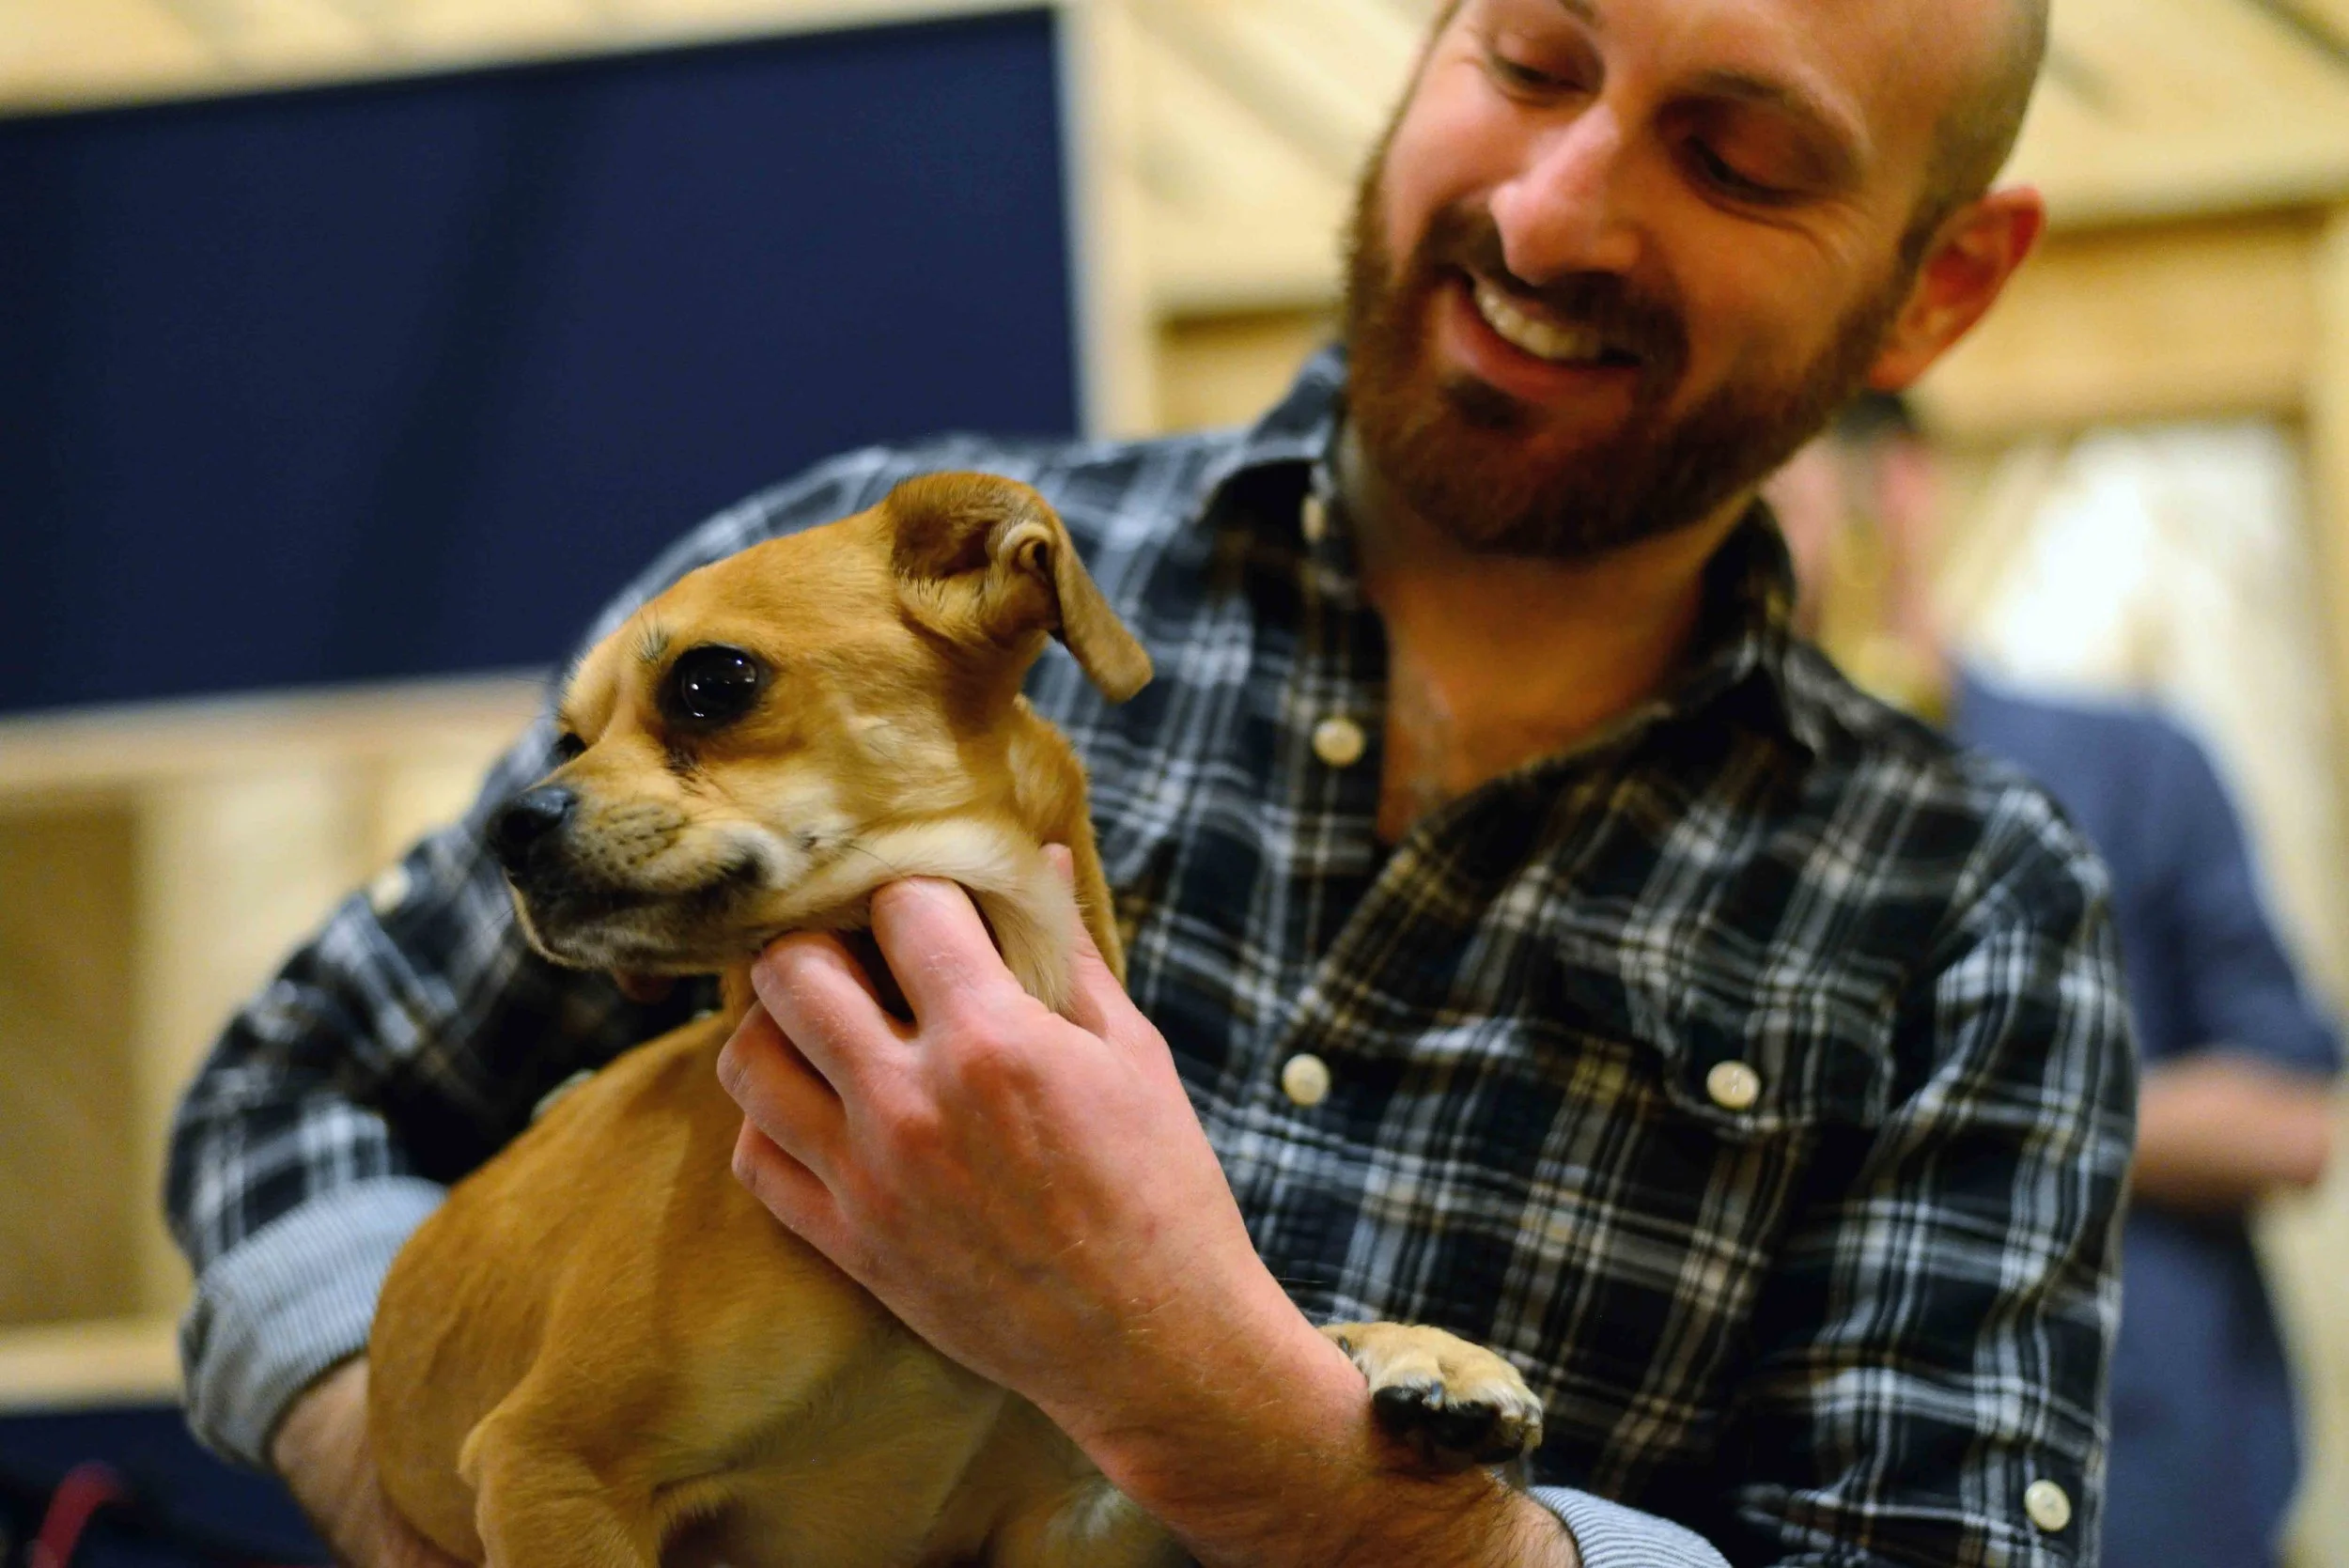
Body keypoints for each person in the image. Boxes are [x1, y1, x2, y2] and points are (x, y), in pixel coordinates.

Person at [166, 1, 2137, 1563]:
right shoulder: (839, 575)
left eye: (1735, 156)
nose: (1545, 214)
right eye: (1527, 58)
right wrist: (412, 1477)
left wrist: (1268, 1444)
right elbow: (292, 1098)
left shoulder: (1972, 905)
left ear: (1940, 282)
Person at [1769, 397, 2342, 1568]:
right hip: (1822, 1491)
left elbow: (2292, 1120)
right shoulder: (1720, 804)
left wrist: (1978, 1102)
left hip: (2152, 1482)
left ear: (1902, 486)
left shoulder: (2132, 764)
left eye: (1779, 491)